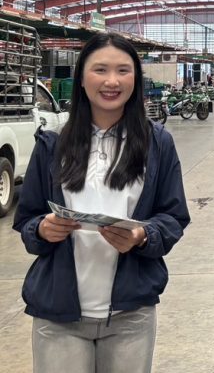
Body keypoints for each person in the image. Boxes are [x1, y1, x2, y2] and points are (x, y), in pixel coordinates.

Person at [13, 33, 191, 373]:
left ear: (135, 79)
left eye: (123, 70)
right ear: (82, 78)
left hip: (130, 316)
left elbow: (173, 216)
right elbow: (27, 219)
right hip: (59, 315)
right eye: (100, 70)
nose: (112, 81)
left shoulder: (157, 143)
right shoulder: (52, 144)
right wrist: (43, 229)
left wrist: (142, 236)